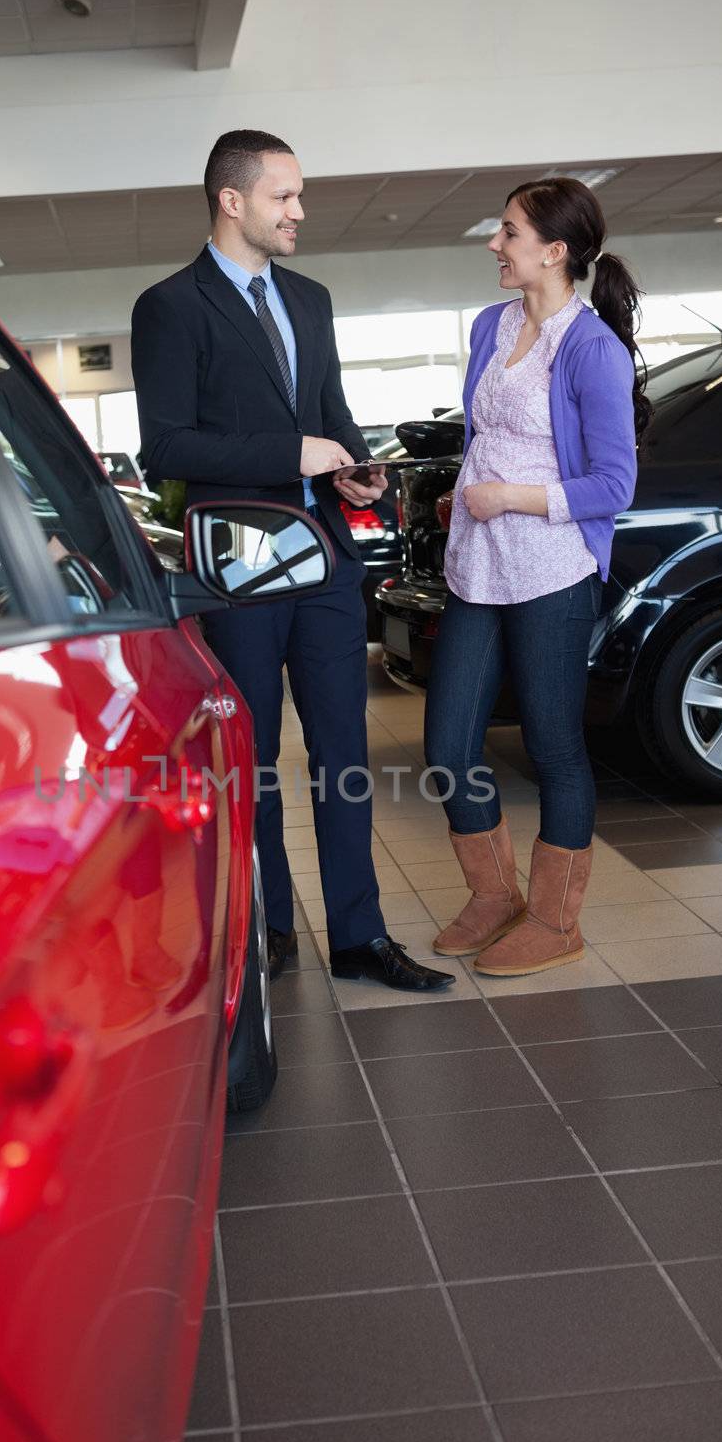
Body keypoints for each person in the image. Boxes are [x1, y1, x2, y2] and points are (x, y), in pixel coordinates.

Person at [131, 129, 452, 991]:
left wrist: (351, 467)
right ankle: (267, 930)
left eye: (298, 195)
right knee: (253, 756)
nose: (299, 211)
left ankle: (357, 936)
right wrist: (291, 453)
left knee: (343, 750)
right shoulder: (169, 305)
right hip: (238, 571)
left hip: (326, 564)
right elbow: (162, 445)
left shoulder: (309, 298)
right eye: (283, 196)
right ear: (231, 202)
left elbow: (332, 413)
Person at [424, 176, 646, 977]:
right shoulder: (490, 325)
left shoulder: (591, 349)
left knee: (553, 747)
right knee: (447, 742)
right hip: (478, 565)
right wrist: (468, 490)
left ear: (553, 252)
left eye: (508, 232)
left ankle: (555, 920)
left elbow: (612, 487)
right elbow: (493, 434)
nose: (494, 243)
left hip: (551, 568)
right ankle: (494, 898)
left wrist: (507, 497)